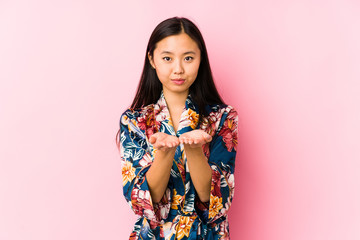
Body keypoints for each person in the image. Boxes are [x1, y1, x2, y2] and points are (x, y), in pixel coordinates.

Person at [116, 16, 238, 240]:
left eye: (188, 58)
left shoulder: (222, 117)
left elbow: (217, 202)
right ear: (152, 59)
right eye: (167, 58)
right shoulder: (134, 121)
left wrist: (194, 150)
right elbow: (141, 203)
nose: (178, 69)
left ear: (201, 59)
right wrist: (164, 153)